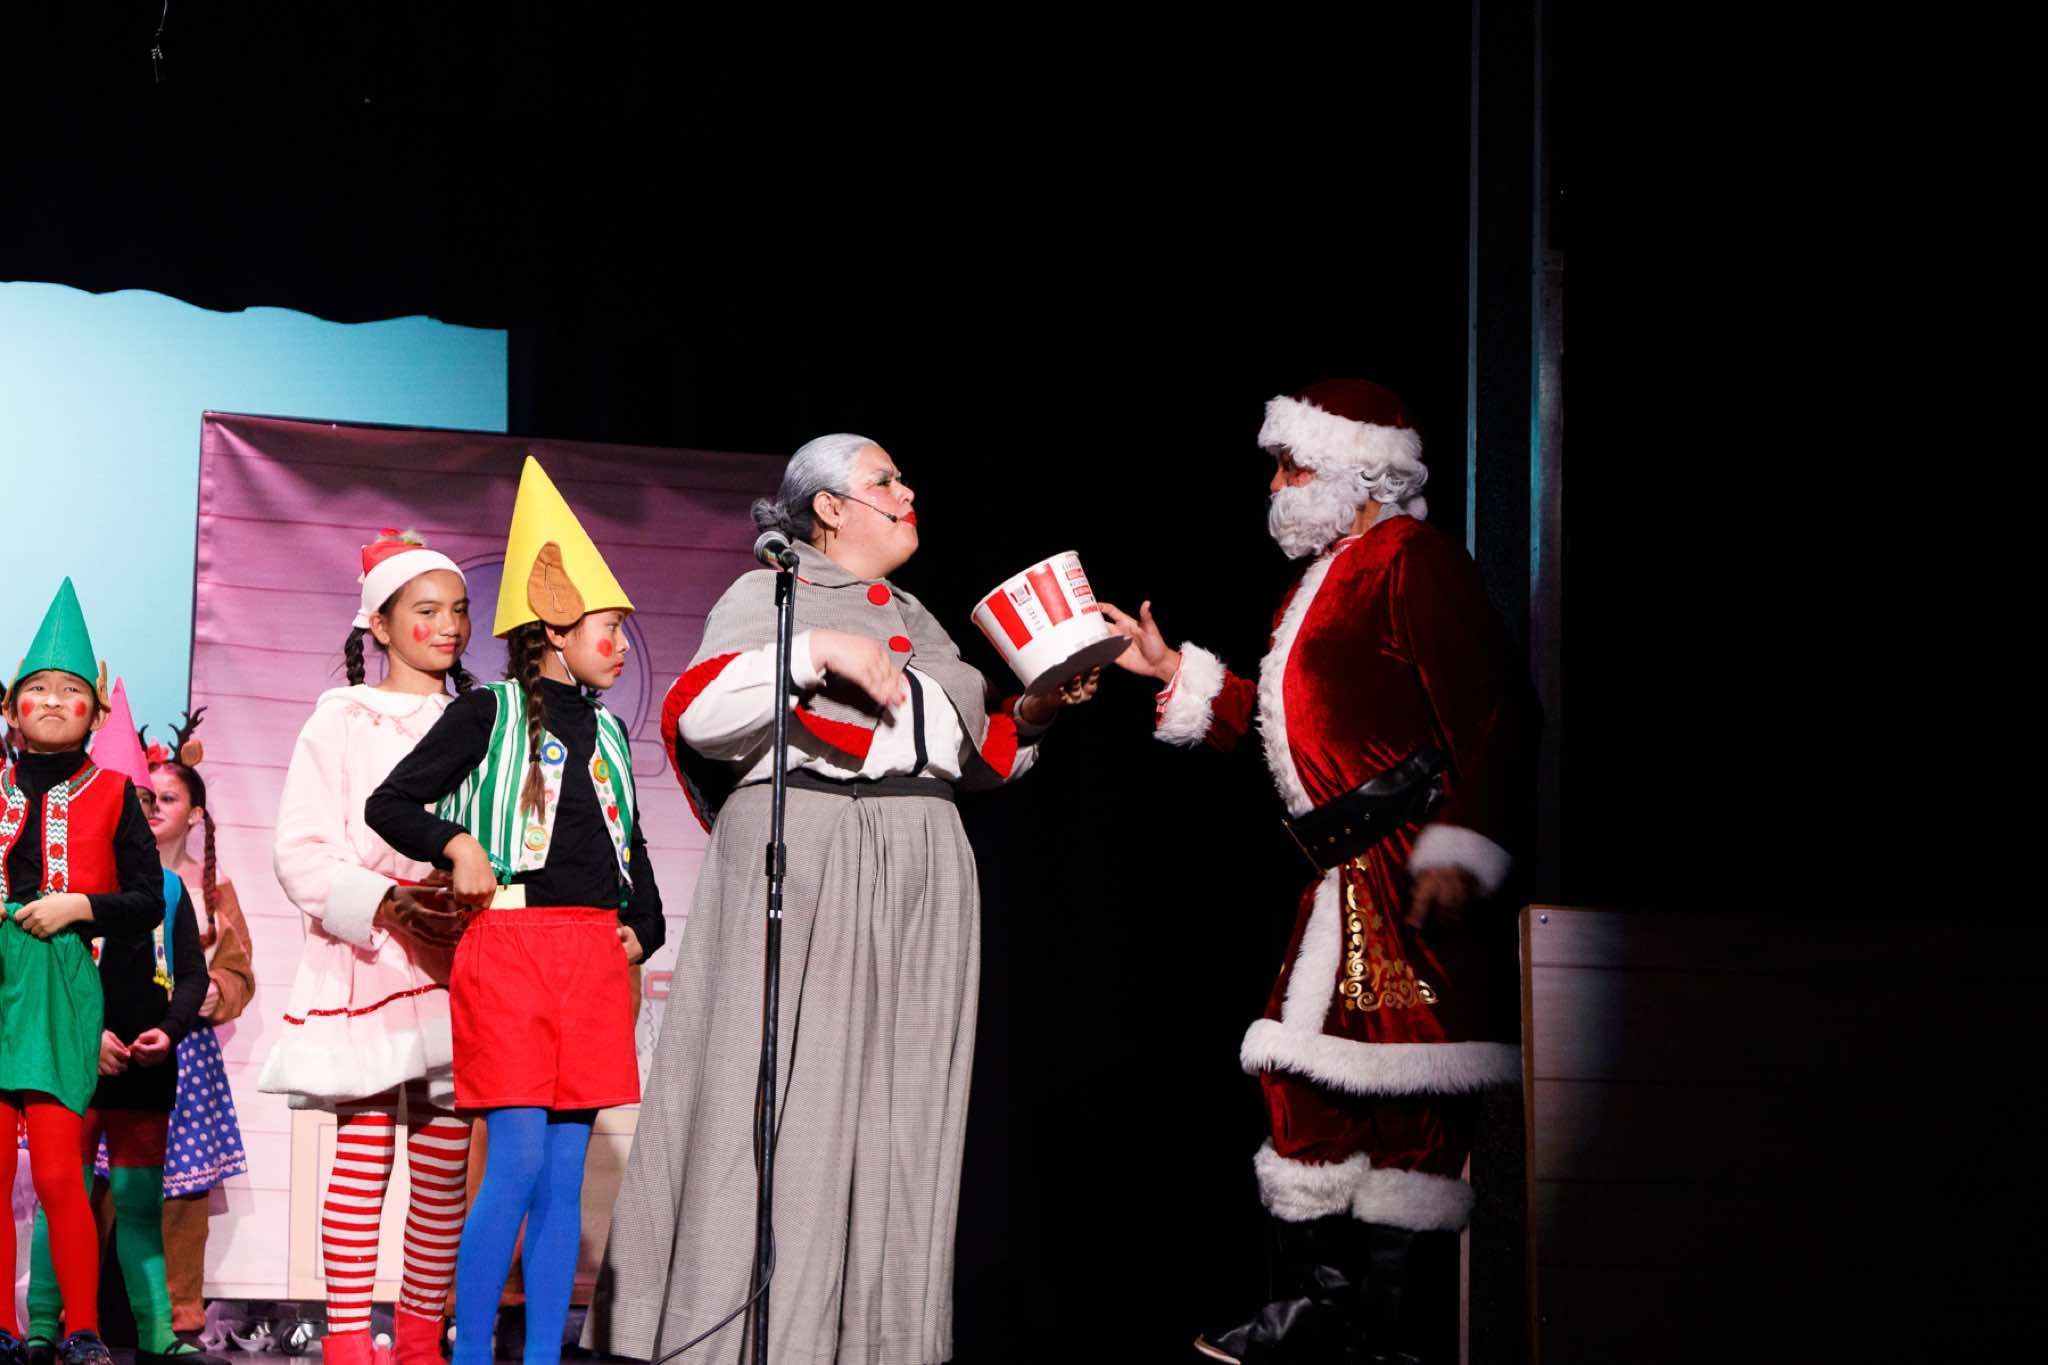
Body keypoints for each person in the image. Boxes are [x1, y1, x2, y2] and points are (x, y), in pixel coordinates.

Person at [582, 433, 1099, 1365]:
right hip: (814, 848)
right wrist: (814, 649)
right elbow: (701, 712)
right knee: (785, 1102)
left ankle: (878, 1343)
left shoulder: (920, 617)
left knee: (905, 1113)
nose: (907, 491)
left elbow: (968, 752)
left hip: (924, 865)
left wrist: (1038, 708)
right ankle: (745, 1337)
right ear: (827, 507)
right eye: (884, 480)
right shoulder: (768, 595)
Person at [1100, 380, 1539, 1364]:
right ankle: (1319, 1312)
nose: (1275, 486)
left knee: (1409, 1106)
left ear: (1357, 469)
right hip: (1338, 878)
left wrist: (1462, 846)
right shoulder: (1331, 573)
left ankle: (1385, 1331)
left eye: (1292, 467)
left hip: (1405, 873)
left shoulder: (1413, 561)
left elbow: (1495, 716)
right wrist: (1174, 673)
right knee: (1306, 1090)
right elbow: (1289, 727)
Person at [366, 459, 663, 1365]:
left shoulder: (609, 730)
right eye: (609, 626)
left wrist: (643, 925)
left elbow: (629, 842)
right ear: (557, 626)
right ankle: (470, 1354)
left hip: (590, 954)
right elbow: (391, 802)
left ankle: (540, 1357)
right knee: (521, 1159)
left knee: (566, 1175)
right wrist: (456, 842)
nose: (621, 643)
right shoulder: (486, 713)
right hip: (512, 945)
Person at [259, 531, 480, 1365]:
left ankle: (420, 1340)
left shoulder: (482, 718)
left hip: (459, 953)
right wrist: (388, 902)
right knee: (364, 1145)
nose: (448, 625)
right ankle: (349, 1341)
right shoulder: (342, 720)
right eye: (426, 610)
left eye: (459, 609)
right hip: (373, 952)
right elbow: (301, 849)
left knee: (446, 1157)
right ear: (379, 625)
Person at [23, 688, 225, 1365]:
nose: (134, 817)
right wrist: (91, 1036)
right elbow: (52, 977)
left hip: (145, 1070)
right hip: (76, 1063)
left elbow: (191, 973)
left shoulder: (165, 889)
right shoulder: (63, 889)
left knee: (141, 1204)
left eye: (144, 804)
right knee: (62, 1195)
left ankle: (157, 1332)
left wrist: (169, 1029)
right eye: (123, 804)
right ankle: (44, 1325)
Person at [0, 579, 166, 1365]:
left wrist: (78, 907)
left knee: (62, 1169)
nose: (52, 701)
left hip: (61, 978)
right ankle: (2, 1326)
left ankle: (81, 1328)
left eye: (69, 690)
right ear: (11, 707)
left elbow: (147, 900)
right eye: (37, 688)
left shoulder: (115, 794)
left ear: (94, 712)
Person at [141, 720, 252, 1348]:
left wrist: (217, 991)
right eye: (147, 797)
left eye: (169, 797)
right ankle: (92, 1315)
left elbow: (240, 971)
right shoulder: (111, 878)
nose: (156, 807)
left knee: (183, 1193)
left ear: (195, 814)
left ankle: (180, 1316)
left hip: (188, 1055)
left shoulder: (214, 891)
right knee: (107, 1179)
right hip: (119, 1046)